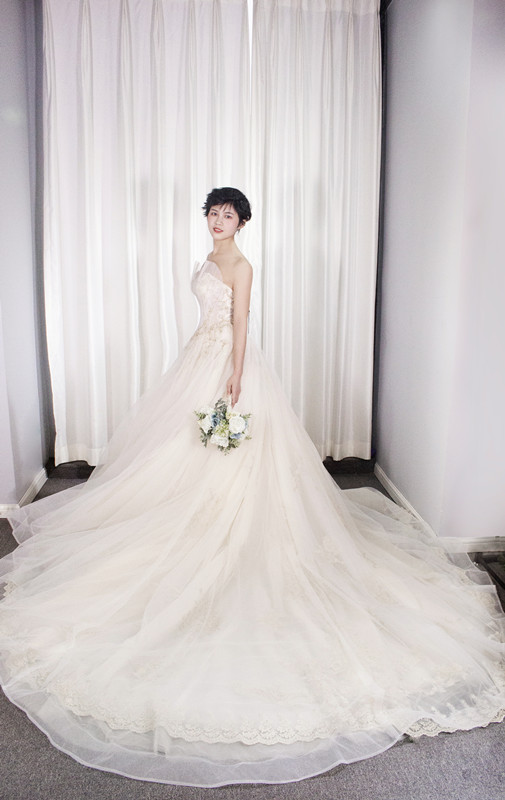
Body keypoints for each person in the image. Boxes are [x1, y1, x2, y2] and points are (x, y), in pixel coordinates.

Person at [0, 187, 504, 788]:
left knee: (232, 456)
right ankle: (182, 514)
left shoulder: (240, 264)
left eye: (229, 215)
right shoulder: (210, 257)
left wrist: (235, 375)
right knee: (178, 454)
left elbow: (240, 320)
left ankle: (226, 526)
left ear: (243, 222)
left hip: (228, 366)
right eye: (213, 213)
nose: (219, 222)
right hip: (197, 357)